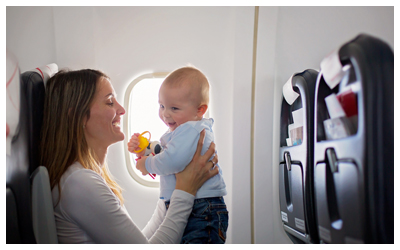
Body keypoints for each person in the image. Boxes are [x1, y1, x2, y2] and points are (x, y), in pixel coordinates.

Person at [40, 69, 219, 244]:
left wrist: (171, 195)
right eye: (110, 102)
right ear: (78, 117)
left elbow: (140, 243)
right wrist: (186, 190)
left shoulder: (87, 176)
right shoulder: (79, 183)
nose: (122, 109)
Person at [127, 66, 228, 244]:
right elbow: (167, 151)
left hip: (202, 209)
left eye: (174, 108)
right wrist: (145, 150)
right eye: (162, 106)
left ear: (200, 110)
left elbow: (173, 160)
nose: (165, 114)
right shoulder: (184, 129)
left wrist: (146, 164)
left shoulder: (191, 128)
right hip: (197, 206)